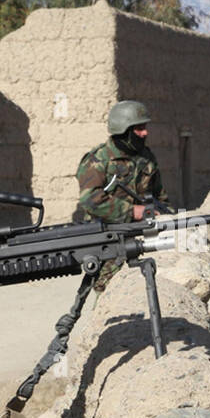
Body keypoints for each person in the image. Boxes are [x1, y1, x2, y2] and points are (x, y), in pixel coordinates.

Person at [74, 100, 170, 294]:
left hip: (141, 235)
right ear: (124, 131)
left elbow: (160, 197)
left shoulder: (147, 158)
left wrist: (169, 217)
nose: (145, 133)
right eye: (139, 128)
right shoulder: (98, 159)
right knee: (110, 293)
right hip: (106, 239)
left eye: (145, 127)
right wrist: (133, 211)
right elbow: (90, 200)